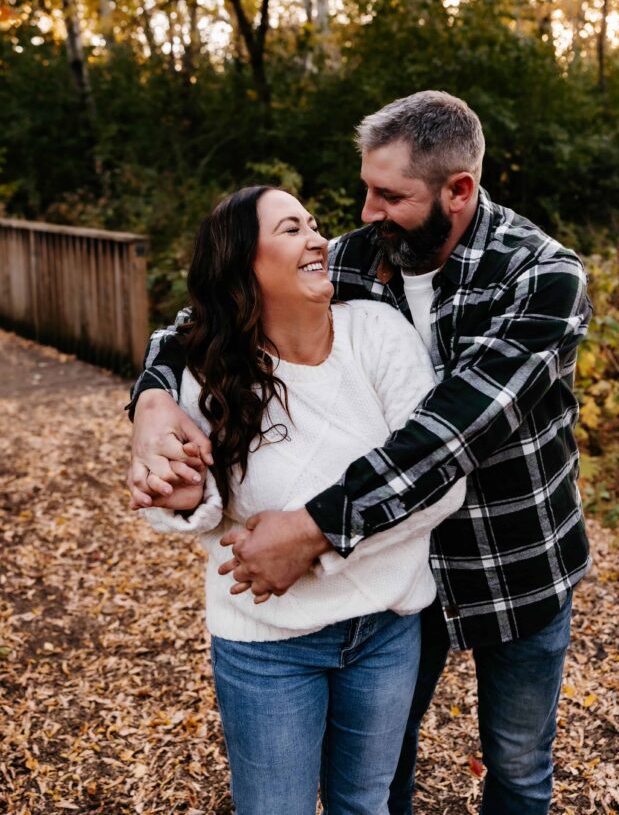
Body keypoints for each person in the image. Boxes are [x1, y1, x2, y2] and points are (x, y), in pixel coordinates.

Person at [128, 91, 592, 815]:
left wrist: (310, 527)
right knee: (382, 767)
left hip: (514, 558)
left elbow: (448, 434)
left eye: (389, 195)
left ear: (458, 191)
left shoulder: (541, 278)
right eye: (365, 190)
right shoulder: (356, 257)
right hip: (398, 571)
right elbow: (211, 312)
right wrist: (154, 398)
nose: (367, 212)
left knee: (518, 763)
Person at [138, 184, 467, 815]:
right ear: (243, 263)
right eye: (291, 229)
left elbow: (439, 478)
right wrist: (185, 497)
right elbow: (205, 508)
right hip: (266, 639)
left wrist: (311, 543)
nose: (318, 238)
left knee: (364, 804)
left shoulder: (377, 332)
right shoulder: (203, 369)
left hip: (386, 629)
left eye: (314, 225)